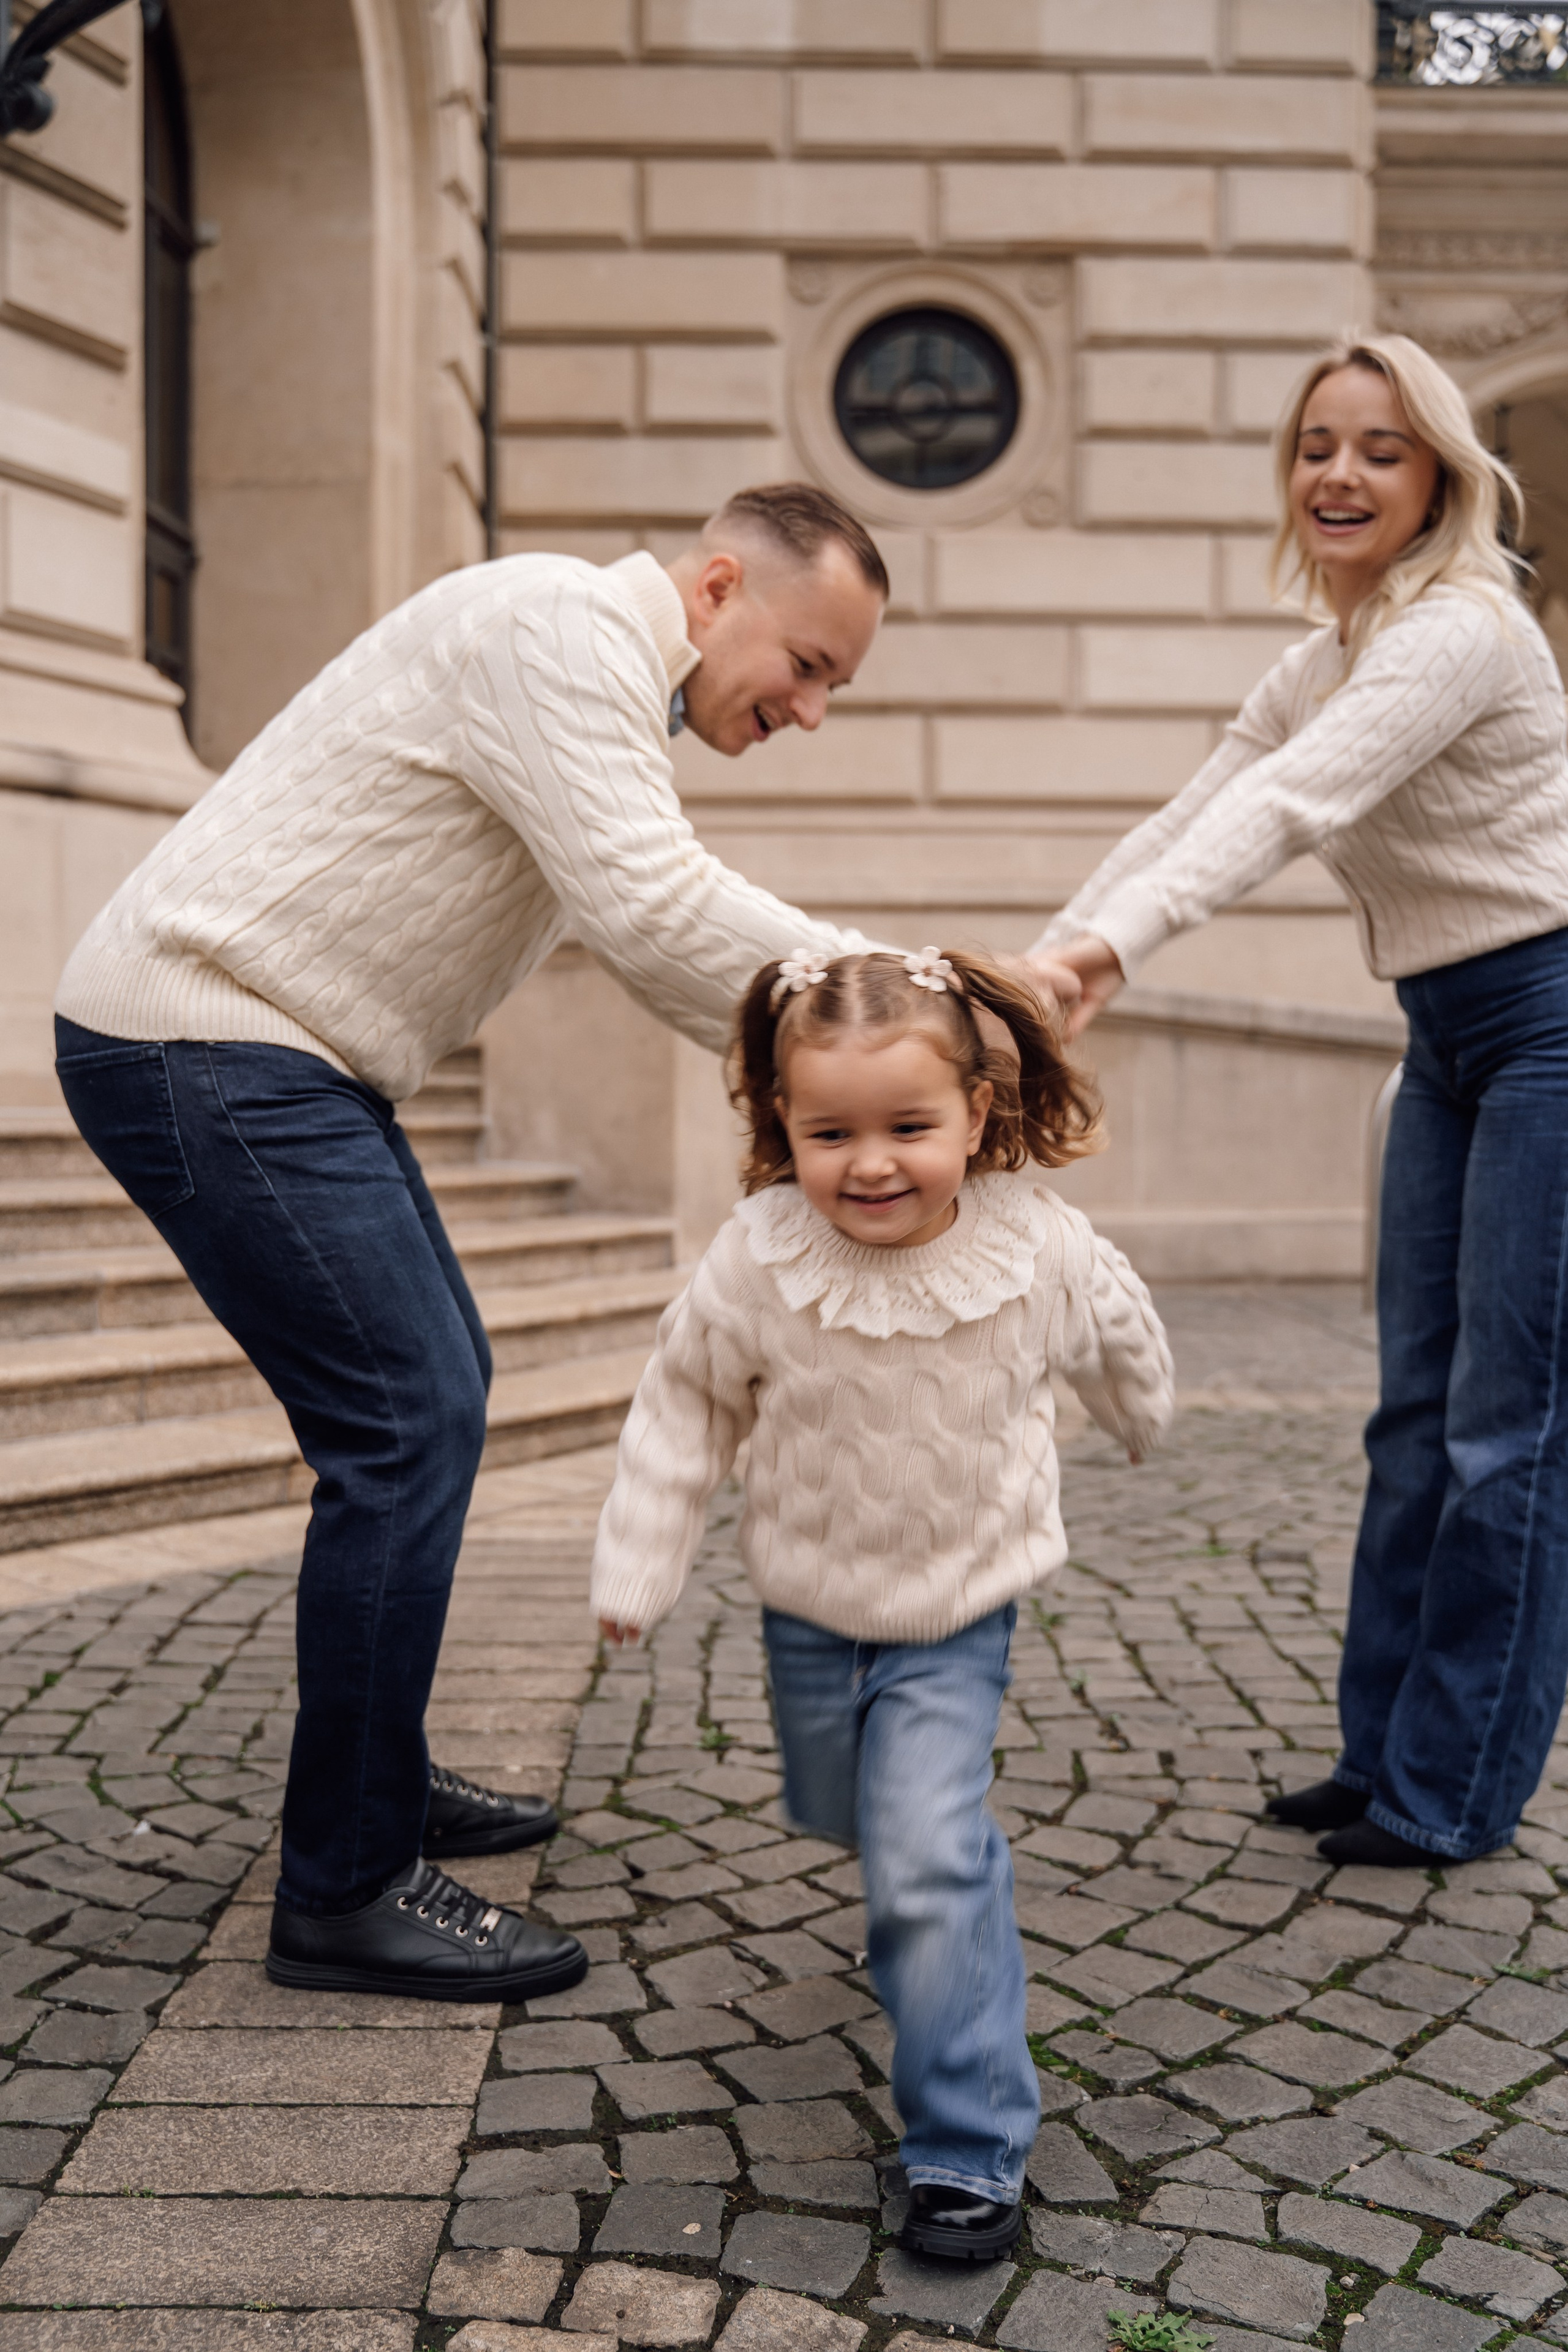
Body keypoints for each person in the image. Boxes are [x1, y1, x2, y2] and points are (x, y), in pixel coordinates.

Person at [52, 483, 897, 2002]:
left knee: (435, 1389)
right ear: (716, 589)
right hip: (210, 1037)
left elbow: (640, 928)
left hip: (286, 1055)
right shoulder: (559, 627)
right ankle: (347, 1886)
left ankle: (375, 1781)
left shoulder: (585, 673)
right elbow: (647, 911)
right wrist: (893, 1002)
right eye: (811, 664)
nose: (811, 709)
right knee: (406, 1418)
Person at [1031, 334, 1568, 1870]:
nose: (1337, 473)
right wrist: (1040, 967)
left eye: (1379, 450)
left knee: (1503, 1433)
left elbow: (1294, 804)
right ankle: (1377, 1751)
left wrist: (1109, 953)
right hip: (1444, 1037)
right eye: (1314, 446)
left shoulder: (1459, 630)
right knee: (1408, 1423)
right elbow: (1194, 805)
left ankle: (1453, 1786)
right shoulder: (1318, 658)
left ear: (1437, 482)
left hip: (1545, 1027)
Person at [591, 945, 1172, 2258]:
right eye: (827, 1132)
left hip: (958, 1604)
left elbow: (1118, 1332)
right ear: (777, 1126)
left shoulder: (1036, 1249)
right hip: (807, 1598)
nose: (869, 1164)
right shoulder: (757, 1259)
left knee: (921, 1850)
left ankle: (965, 2146)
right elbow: (683, 1406)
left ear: (976, 1116)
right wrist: (638, 1559)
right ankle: (925, 1888)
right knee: (839, 1809)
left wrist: (1137, 1411)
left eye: (908, 1127)